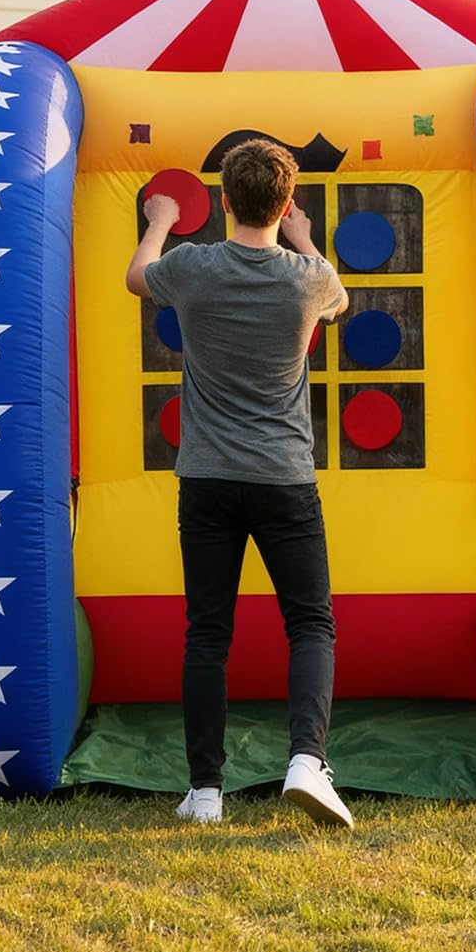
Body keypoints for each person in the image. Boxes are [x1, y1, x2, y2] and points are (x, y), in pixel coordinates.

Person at [125, 139, 355, 825]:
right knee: (310, 622)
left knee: (207, 633)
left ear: (223, 201)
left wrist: (162, 219)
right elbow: (337, 299)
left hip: (206, 477)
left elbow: (138, 277)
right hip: (283, 478)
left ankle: (204, 794)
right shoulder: (308, 277)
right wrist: (306, 238)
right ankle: (308, 762)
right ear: (284, 204)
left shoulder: (191, 268)